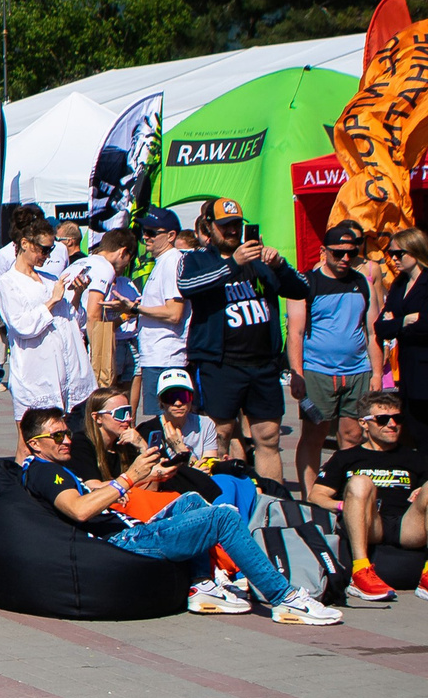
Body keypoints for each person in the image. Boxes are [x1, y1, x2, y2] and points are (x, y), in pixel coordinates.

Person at [17, 407, 340, 625]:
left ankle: (201, 587)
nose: (67, 440)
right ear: (35, 443)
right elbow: (80, 509)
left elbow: (94, 492)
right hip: (122, 542)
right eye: (57, 436)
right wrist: (128, 478)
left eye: (66, 434)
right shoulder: (46, 473)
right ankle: (284, 599)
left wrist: (143, 476)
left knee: (190, 500)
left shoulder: (52, 469)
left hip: (129, 530)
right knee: (222, 517)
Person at [172, 198, 305, 483]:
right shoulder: (196, 259)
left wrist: (279, 265)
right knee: (219, 435)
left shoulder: (260, 261)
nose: (232, 231)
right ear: (209, 227)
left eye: (236, 224)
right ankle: (225, 503)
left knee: (267, 436)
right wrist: (234, 264)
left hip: (262, 365)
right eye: (225, 225)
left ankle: (272, 503)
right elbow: (187, 287)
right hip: (220, 365)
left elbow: (301, 289)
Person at [292, 221, 383, 497]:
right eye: (338, 253)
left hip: (358, 372)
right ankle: (310, 497)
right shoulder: (306, 283)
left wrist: (377, 374)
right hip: (318, 372)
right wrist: (297, 373)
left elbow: (373, 330)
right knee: (314, 436)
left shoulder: (362, 283)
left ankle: (349, 494)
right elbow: (295, 333)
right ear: (323, 251)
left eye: (351, 253)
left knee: (354, 436)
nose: (345, 259)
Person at [0, 210, 95, 453]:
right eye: (43, 249)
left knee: (74, 443)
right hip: (37, 376)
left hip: (70, 373)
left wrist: (77, 294)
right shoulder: (9, 282)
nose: (46, 256)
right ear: (24, 244)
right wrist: (51, 301)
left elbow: (74, 321)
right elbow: (22, 326)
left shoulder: (50, 278)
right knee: (31, 444)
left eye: (51, 250)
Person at [314, 392, 428, 604]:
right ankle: (360, 570)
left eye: (398, 419)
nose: (392, 424)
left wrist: (422, 490)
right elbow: (317, 496)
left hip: (408, 525)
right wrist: (345, 506)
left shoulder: (415, 457)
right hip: (371, 523)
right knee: (360, 482)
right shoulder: (346, 457)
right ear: (364, 424)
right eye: (383, 420)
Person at [129, 208, 193, 411]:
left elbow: (174, 313)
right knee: (159, 422)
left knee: (165, 421)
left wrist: (136, 308)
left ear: (171, 236)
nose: (145, 237)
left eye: (152, 233)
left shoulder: (172, 261)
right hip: (156, 355)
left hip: (165, 357)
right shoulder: (162, 262)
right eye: (144, 231)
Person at [70, 229, 141, 391]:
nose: (125, 267)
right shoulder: (105, 268)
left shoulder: (79, 263)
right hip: (80, 341)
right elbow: (94, 316)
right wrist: (100, 363)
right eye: (129, 260)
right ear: (123, 252)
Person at [378, 229, 428, 430]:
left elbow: (425, 326)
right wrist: (404, 321)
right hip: (407, 369)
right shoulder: (399, 284)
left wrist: (396, 323)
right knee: (413, 428)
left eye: (399, 254)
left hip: (424, 367)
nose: (394, 259)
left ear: (416, 251)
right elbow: (381, 327)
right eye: (391, 254)